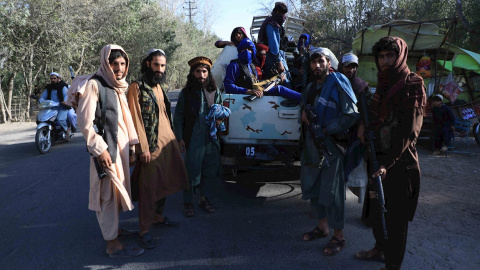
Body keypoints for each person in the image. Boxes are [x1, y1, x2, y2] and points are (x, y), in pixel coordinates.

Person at [355, 36, 426, 270]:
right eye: (381, 56)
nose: (385, 61)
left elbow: (409, 132)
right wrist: (365, 126)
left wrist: (387, 163)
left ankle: (392, 264)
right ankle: (379, 250)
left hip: (399, 162)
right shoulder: (383, 83)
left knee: (396, 220)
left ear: (400, 56)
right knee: (377, 210)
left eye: (390, 55)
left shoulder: (412, 84)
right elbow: (375, 118)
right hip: (378, 157)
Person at [75, 45, 144, 258]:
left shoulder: (117, 87)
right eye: (114, 63)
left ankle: (115, 231)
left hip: (120, 152)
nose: (119, 68)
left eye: (123, 64)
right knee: (106, 194)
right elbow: (86, 124)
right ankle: (112, 245)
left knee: (117, 191)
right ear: (106, 63)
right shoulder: (94, 85)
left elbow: (126, 121)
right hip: (106, 152)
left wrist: (131, 148)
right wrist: (100, 150)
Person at [127, 49, 190, 249]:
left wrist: (176, 139)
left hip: (167, 144)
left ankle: (157, 217)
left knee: (166, 182)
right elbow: (135, 120)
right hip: (150, 147)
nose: (160, 70)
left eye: (163, 66)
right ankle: (144, 230)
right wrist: (142, 148)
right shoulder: (137, 87)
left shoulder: (160, 88)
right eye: (156, 65)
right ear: (148, 64)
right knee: (148, 188)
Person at [300, 48, 359, 256]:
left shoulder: (339, 81)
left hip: (332, 146)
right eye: (314, 61)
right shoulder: (309, 88)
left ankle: (339, 236)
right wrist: (304, 117)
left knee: (332, 192)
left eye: (321, 61)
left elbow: (351, 115)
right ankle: (322, 227)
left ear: (328, 63)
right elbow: (304, 109)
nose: (317, 65)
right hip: (311, 146)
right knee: (314, 188)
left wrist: (326, 129)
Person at [173, 56, 224, 217]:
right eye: (198, 71)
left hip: (211, 138)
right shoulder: (186, 93)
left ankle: (204, 198)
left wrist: (219, 120)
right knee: (191, 170)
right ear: (192, 73)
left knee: (209, 169)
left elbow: (221, 111)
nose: (201, 75)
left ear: (208, 73)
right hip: (193, 137)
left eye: (204, 71)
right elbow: (179, 117)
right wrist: (180, 138)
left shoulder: (214, 92)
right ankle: (188, 202)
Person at [223, 38, 300, 103]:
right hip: (244, 96)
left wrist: (275, 79)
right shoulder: (234, 65)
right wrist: (249, 91)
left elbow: (256, 83)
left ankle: (303, 99)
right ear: (240, 51)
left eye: (249, 49)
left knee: (279, 88)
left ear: (253, 51)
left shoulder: (252, 66)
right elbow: (228, 86)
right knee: (280, 89)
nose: (247, 51)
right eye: (244, 49)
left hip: (256, 92)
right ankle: (304, 100)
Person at [339, 53, 370, 205]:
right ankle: (336, 204)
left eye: (353, 67)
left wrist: (362, 127)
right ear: (341, 66)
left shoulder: (361, 86)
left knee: (356, 169)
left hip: (355, 132)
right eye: (347, 66)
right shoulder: (336, 82)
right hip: (337, 132)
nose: (350, 70)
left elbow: (366, 110)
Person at [257, 2, 292, 87]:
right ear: (275, 11)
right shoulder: (272, 24)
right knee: (284, 84)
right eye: (278, 12)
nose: (281, 15)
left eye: (283, 13)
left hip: (278, 56)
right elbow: (274, 46)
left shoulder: (276, 25)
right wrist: (279, 62)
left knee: (285, 81)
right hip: (274, 58)